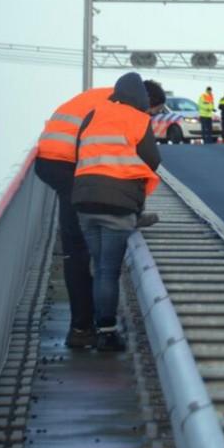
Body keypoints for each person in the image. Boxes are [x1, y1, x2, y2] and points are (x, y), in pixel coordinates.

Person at [35, 77, 165, 348]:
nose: (150, 120)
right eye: (152, 114)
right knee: (79, 252)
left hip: (51, 159)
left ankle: (88, 325)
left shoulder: (107, 97)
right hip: (67, 164)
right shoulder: (121, 109)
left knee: (84, 247)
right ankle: (83, 329)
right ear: (145, 101)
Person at [71, 72, 163, 352]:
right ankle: (107, 332)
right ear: (141, 97)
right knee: (108, 270)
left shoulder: (94, 114)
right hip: (118, 205)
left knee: (99, 268)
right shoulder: (138, 118)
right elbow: (152, 159)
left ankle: (99, 326)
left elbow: (79, 151)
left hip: (84, 201)